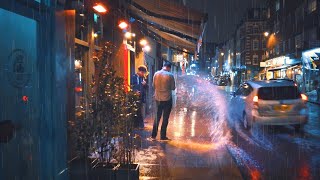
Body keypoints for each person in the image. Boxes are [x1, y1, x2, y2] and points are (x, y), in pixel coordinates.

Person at [150, 62, 176, 141]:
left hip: (158, 99)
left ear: (163, 66)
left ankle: (153, 135)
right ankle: (162, 136)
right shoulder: (170, 75)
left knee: (157, 117)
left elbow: (153, 86)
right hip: (167, 99)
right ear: (168, 68)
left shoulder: (156, 74)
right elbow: (173, 88)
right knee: (165, 118)